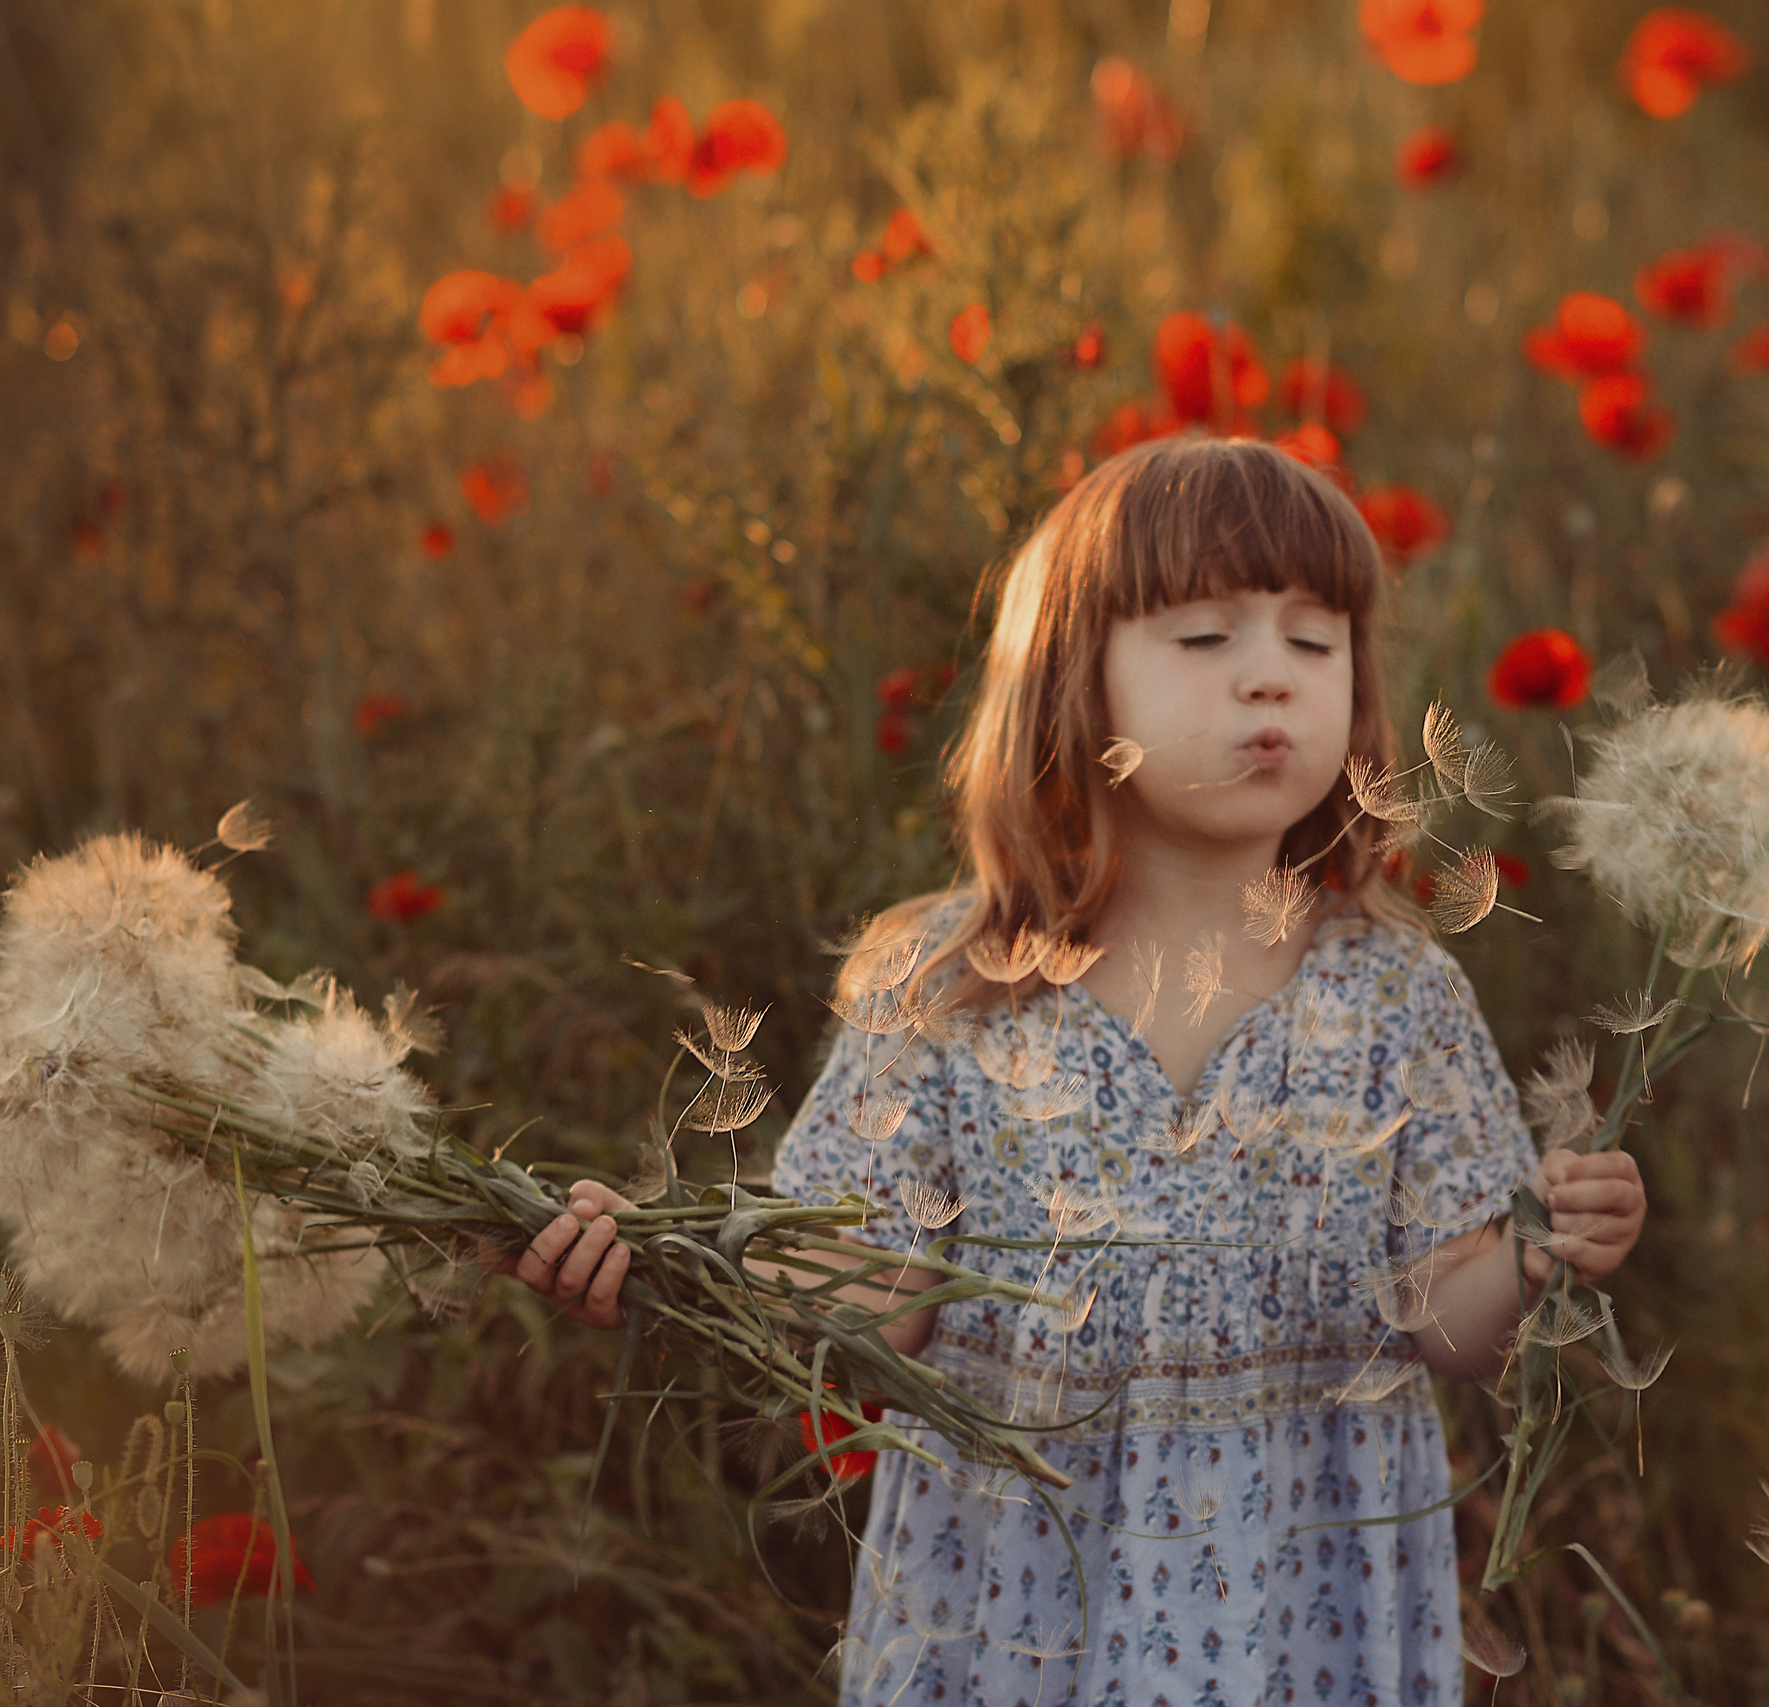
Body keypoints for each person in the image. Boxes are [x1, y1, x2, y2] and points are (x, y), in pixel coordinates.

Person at [512, 435, 1647, 1706]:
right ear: (1071, 682)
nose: (1269, 674)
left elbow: (1447, 1321)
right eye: (1205, 637)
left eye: (1314, 640)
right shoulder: (948, 986)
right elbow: (873, 1298)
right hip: (1016, 1610)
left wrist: (1539, 1250)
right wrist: (670, 1263)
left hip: (1298, 1614)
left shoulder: (1395, 993)